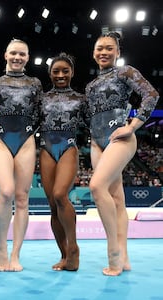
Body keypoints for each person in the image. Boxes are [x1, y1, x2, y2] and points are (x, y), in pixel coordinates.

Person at [85, 32, 159, 276]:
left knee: (97, 187)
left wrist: (132, 125)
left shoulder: (125, 72)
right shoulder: (91, 85)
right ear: (94, 52)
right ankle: (124, 256)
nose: (103, 52)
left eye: (109, 48)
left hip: (121, 137)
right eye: (99, 48)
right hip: (97, 142)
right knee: (116, 199)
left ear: (117, 52)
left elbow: (151, 95)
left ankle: (113, 253)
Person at [0, 38, 43, 271]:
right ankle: (1, 248)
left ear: (27, 57)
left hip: (25, 140)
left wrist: (32, 131)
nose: (17, 57)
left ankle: (16, 254)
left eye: (22, 54)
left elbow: (40, 113)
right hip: (1, 139)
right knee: (6, 192)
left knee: (23, 198)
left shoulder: (35, 83)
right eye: (13, 53)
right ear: (5, 55)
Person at [39, 53, 87, 271]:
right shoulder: (41, 98)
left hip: (68, 147)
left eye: (65, 71)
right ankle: (64, 254)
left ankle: (74, 248)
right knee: (52, 205)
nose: (60, 75)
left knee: (60, 195)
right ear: (50, 73)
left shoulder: (80, 98)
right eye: (56, 71)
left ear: (72, 73)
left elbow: (93, 124)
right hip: (46, 149)